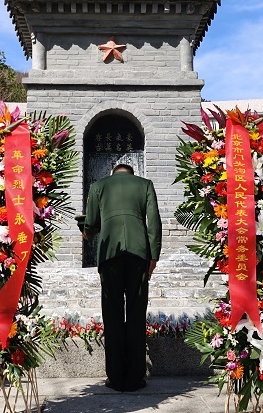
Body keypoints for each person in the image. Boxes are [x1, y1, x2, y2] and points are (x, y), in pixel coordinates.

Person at [83, 163, 161, 392]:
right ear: (131, 173)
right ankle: (136, 377)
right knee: (136, 313)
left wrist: (87, 233)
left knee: (113, 313)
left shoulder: (99, 186)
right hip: (138, 254)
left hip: (110, 255)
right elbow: (154, 222)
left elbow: (91, 224)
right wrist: (153, 256)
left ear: (114, 173)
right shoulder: (145, 185)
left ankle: (116, 377)